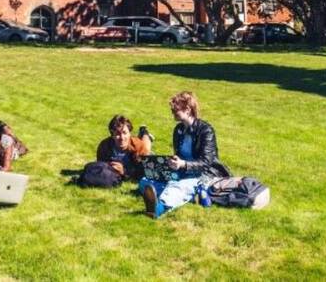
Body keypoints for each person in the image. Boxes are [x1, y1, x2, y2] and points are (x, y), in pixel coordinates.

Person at [138, 91, 230, 219]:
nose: (172, 113)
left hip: (205, 173)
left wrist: (184, 164)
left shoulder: (206, 130)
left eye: (175, 110)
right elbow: (179, 155)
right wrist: (172, 162)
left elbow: (206, 162)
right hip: (183, 170)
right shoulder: (179, 130)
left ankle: (159, 208)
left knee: (180, 185)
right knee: (145, 181)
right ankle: (189, 195)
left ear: (187, 109)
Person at [95, 114, 153, 180]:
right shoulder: (104, 146)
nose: (122, 138)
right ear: (112, 135)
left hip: (140, 149)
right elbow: (100, 166)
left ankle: (144, 132)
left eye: (125, 133)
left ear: (130, 133)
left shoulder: (138, 146)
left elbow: (143, 171)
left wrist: (124, 172)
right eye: (117, 134)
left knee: (147, 148)